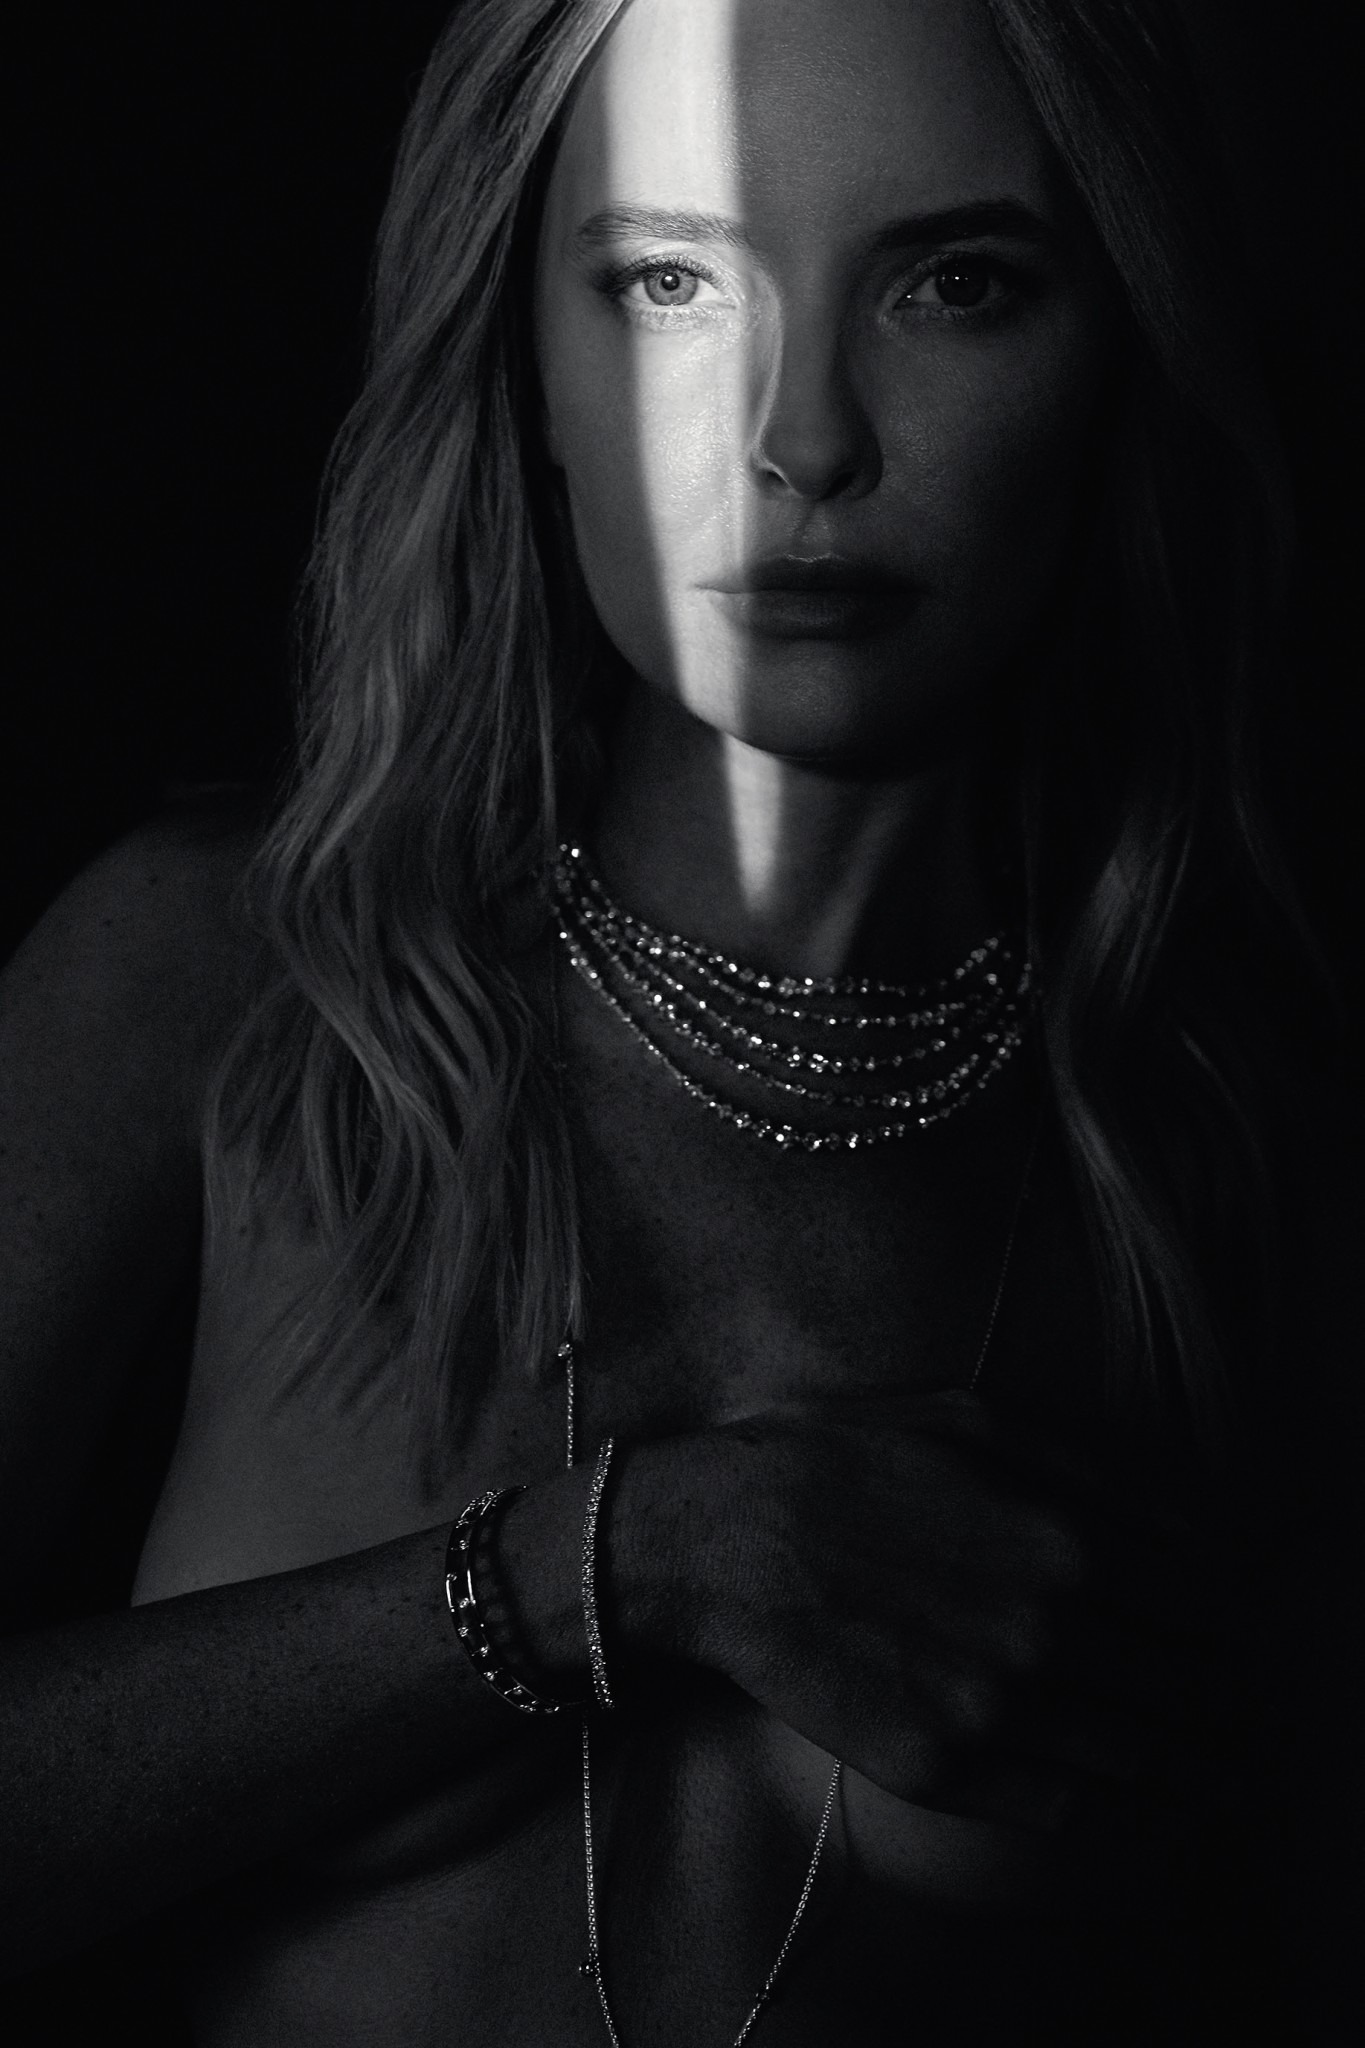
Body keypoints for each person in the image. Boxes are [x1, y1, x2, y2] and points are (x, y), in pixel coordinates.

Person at [1, 0, 1356, 2041]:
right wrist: (622, 1563)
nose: (799, 442)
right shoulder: (225, 980)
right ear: (519, 362)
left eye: (953, 284)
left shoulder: (1229, 1155)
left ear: (1121, 356)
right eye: (666, 283)